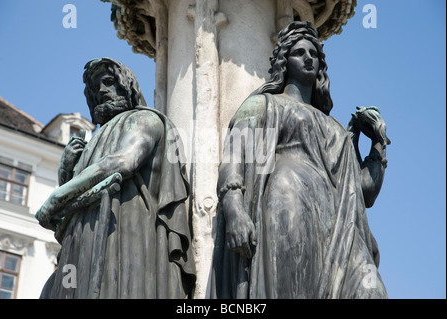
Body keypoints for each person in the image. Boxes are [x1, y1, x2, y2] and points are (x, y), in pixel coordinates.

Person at [211, 21, 390, 299]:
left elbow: (363, 192)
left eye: (314, 54)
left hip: (340, 222)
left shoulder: (337, 130)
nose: (308, 58)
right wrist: (234, 208)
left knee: (372, 290)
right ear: (285, 61)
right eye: (299, 53)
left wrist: (378, 146)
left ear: (320, 66)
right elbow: (235, 156)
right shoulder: (264, 105)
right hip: (288, 204)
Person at [36, 57, 196, 298]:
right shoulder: (95, 139)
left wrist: (58, 195)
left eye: (109, 81)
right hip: (82, 235)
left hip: (124, 229)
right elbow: (75, 202)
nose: (101, 90)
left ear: (127, 85)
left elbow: (124, 161)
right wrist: (66, 169)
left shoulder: (144, 119)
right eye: (95, 88)